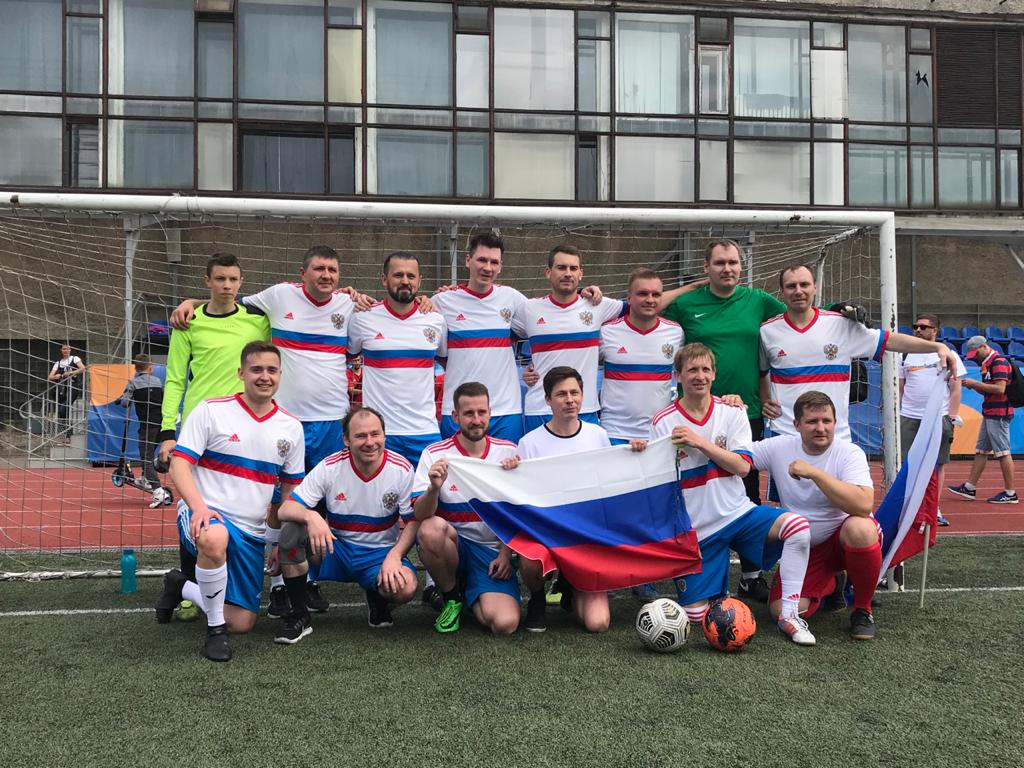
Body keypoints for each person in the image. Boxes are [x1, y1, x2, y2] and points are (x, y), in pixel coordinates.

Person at [650, 343, 815, 647]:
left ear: (713, 374)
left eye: (705, 369)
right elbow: (657, 482)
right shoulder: (663, 421)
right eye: (692, 370)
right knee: (698, 619)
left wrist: (700, 442)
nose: (699, 376)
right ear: (677, 375)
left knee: (798, 527)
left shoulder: (732, 411)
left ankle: (790, 615)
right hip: (699, 531)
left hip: (739, 514)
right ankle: (718, 590)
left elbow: (741, 467)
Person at [155, 341, 304, 662]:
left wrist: (279, 542)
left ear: (280, 375)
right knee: (215, 535)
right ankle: (214, 632)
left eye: (271, 370)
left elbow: (289, 495)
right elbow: (180, 465)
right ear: (241, 373)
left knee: (243, 622)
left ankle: (180, 586)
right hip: (206, 515)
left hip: (252, 533)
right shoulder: (212, 410)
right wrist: (199, 507)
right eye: (256, 370)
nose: (264, 376)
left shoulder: (291, 427)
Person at [656, 238, 784, 602]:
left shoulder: (756, 300)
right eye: (719, 263)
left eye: (733, 262)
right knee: (694, 490)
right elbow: (650, 308)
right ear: (707, 267)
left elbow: (797, 310)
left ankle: (751, 574)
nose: (728, 269)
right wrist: (691, 286)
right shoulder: (688, 304)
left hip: (743, 413)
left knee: (744, 492)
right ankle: (696, 565)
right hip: (693, 413)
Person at [760, 263, 957, 442]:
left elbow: (889, 340)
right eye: (791, 286)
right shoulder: (767, 331)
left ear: (815, 287)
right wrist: (764, 399)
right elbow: (759, 372)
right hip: (786, 435)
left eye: (804, 284)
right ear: (782, 292)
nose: (798, 291)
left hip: (835, 436)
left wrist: (937, 347)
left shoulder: (841, 325)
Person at [272, 407, 420, 643]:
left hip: (378, 554)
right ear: (346, 439)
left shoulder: (401, 469)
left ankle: (377, 594)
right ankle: (299, 616)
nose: (370, 442)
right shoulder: (330, 466)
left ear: (384, 435)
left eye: (375, 434)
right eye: (361, 436)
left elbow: (413, 522)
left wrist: (395, 555)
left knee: (406, 587)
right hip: (335, 549)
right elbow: (285, 509)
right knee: (292, 529)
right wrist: (313, 517)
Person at [515, 366, 644, 634]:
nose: (570, 399)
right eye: (561, 394)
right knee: (529, 557)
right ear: (548, 399)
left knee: (597, 624)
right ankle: (538, 598)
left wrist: (637, 455)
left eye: (575, 392)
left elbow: (609, 485)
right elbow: (522, 497)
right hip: (547, 534)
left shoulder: (597, 435)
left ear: (583, 396)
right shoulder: (529, 443)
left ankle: (570, 586)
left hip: (586, 537)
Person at [747, 390, 881, 641]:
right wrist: (726, 411)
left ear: (835, 423)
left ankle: (863, 609)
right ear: (797, 425)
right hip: (806, 549)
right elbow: (740, 456)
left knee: (861, 528)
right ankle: (832, 583)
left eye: (826, 421)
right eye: (812, 422)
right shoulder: (780, 447)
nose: (821, 428)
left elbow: (863, 505)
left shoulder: (849, 453)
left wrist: (815, 474)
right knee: (780, 612)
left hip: (844, 538)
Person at [599, 268, 684, 602]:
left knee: (657, 507)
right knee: (619, 507)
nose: (649, 300)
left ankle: (647, 574)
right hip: (615, 432)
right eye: (642, 294)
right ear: (629, 298)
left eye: (655, 294)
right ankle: (613, 570)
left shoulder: (675, 333)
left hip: (659, 436)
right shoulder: (607, 331)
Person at [413, 382, 521, 635]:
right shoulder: (435, 454)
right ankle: (452, 597)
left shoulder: (508, 452)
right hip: (455, 546)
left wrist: (505, 554)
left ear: (490, 413)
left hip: (490, 552)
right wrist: (433, 488)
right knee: (431, 529)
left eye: (481, 412)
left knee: (504, 624)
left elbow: (517, 514)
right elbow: (419, 514)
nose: (476, 420)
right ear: (455, 417)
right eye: (468, 414)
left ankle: (471, 590)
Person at [159, 253, 270, 465]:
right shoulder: (187, 322)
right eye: (220, 279)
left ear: (240, 282)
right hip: (199, 420)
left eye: (233, 279)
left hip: (245, 419)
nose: (227, 285)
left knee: (245, 492)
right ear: (207, 281)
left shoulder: (259, 322)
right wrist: (167, 432)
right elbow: (174, 379)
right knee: (194, 494)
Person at [347, 251, 447, 467]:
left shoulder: (436, 320)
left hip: (424, 432)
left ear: (420, 281)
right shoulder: (363, 317)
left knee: (432, 495)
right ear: (384, 279)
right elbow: (344, 358)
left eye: (411, 276)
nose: (405, 281)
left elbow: (451, 363)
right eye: (398, 275)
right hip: (379, 434)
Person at [512, 245, 624, 433]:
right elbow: (499, 339)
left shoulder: (597, 305)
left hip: (584, 408)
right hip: (541, 409)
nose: (567, 273)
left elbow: (642, 306)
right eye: (561, 267)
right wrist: (526, 370)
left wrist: (691, 288)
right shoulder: (529, 309)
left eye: (573, 268)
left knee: (587, 463)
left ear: (581, 273)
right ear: (548, 272)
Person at [899, 313, 967, 526]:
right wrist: (901, 409)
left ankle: (932, 509)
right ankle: (908, 508)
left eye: (923, 327)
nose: (918, 330)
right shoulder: (906, 355)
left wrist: (952, 415)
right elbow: (901, 387)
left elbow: (956, 389)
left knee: (937, 465)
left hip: (939, 418)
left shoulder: (950, 354)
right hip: (909, 417)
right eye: (915, 326)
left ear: (935, 331)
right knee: (907, 464)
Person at [948, 336, 1018, 504]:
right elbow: (990, 391)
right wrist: (974, 385)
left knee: (1003, 452)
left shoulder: (998, 362)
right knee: (981, 451)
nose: (976, 357)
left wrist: (974, 384)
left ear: (984, 346)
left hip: (999, 413)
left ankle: (1010, 493)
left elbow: (1000, 389)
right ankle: (970, 487)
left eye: (976, 353)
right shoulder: (989, 363)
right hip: (991, 411)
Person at [117, 354, 166, 508]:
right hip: (161, 423)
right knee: (150, 453)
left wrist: (122, 398)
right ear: (149, 366)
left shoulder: (133, 383)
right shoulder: (158, 381)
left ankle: (158, 490)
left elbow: (125, 403)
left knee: (145, 457)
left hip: (147, 424)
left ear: (136, 368)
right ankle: (146, 478)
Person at [47, 343, 85, 445]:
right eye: (64, 349)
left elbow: (83, 368)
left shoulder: (74, 358)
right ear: (61, 350)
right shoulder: (58, 363)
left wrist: (70, 373)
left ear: (70, 350)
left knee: (64, 409)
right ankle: (68, 436)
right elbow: (50, 376)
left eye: (67, 349)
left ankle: (69, 436)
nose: (66, 350)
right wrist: (59, 376)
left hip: (72, 388)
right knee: (62, 412)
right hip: (61, 390)